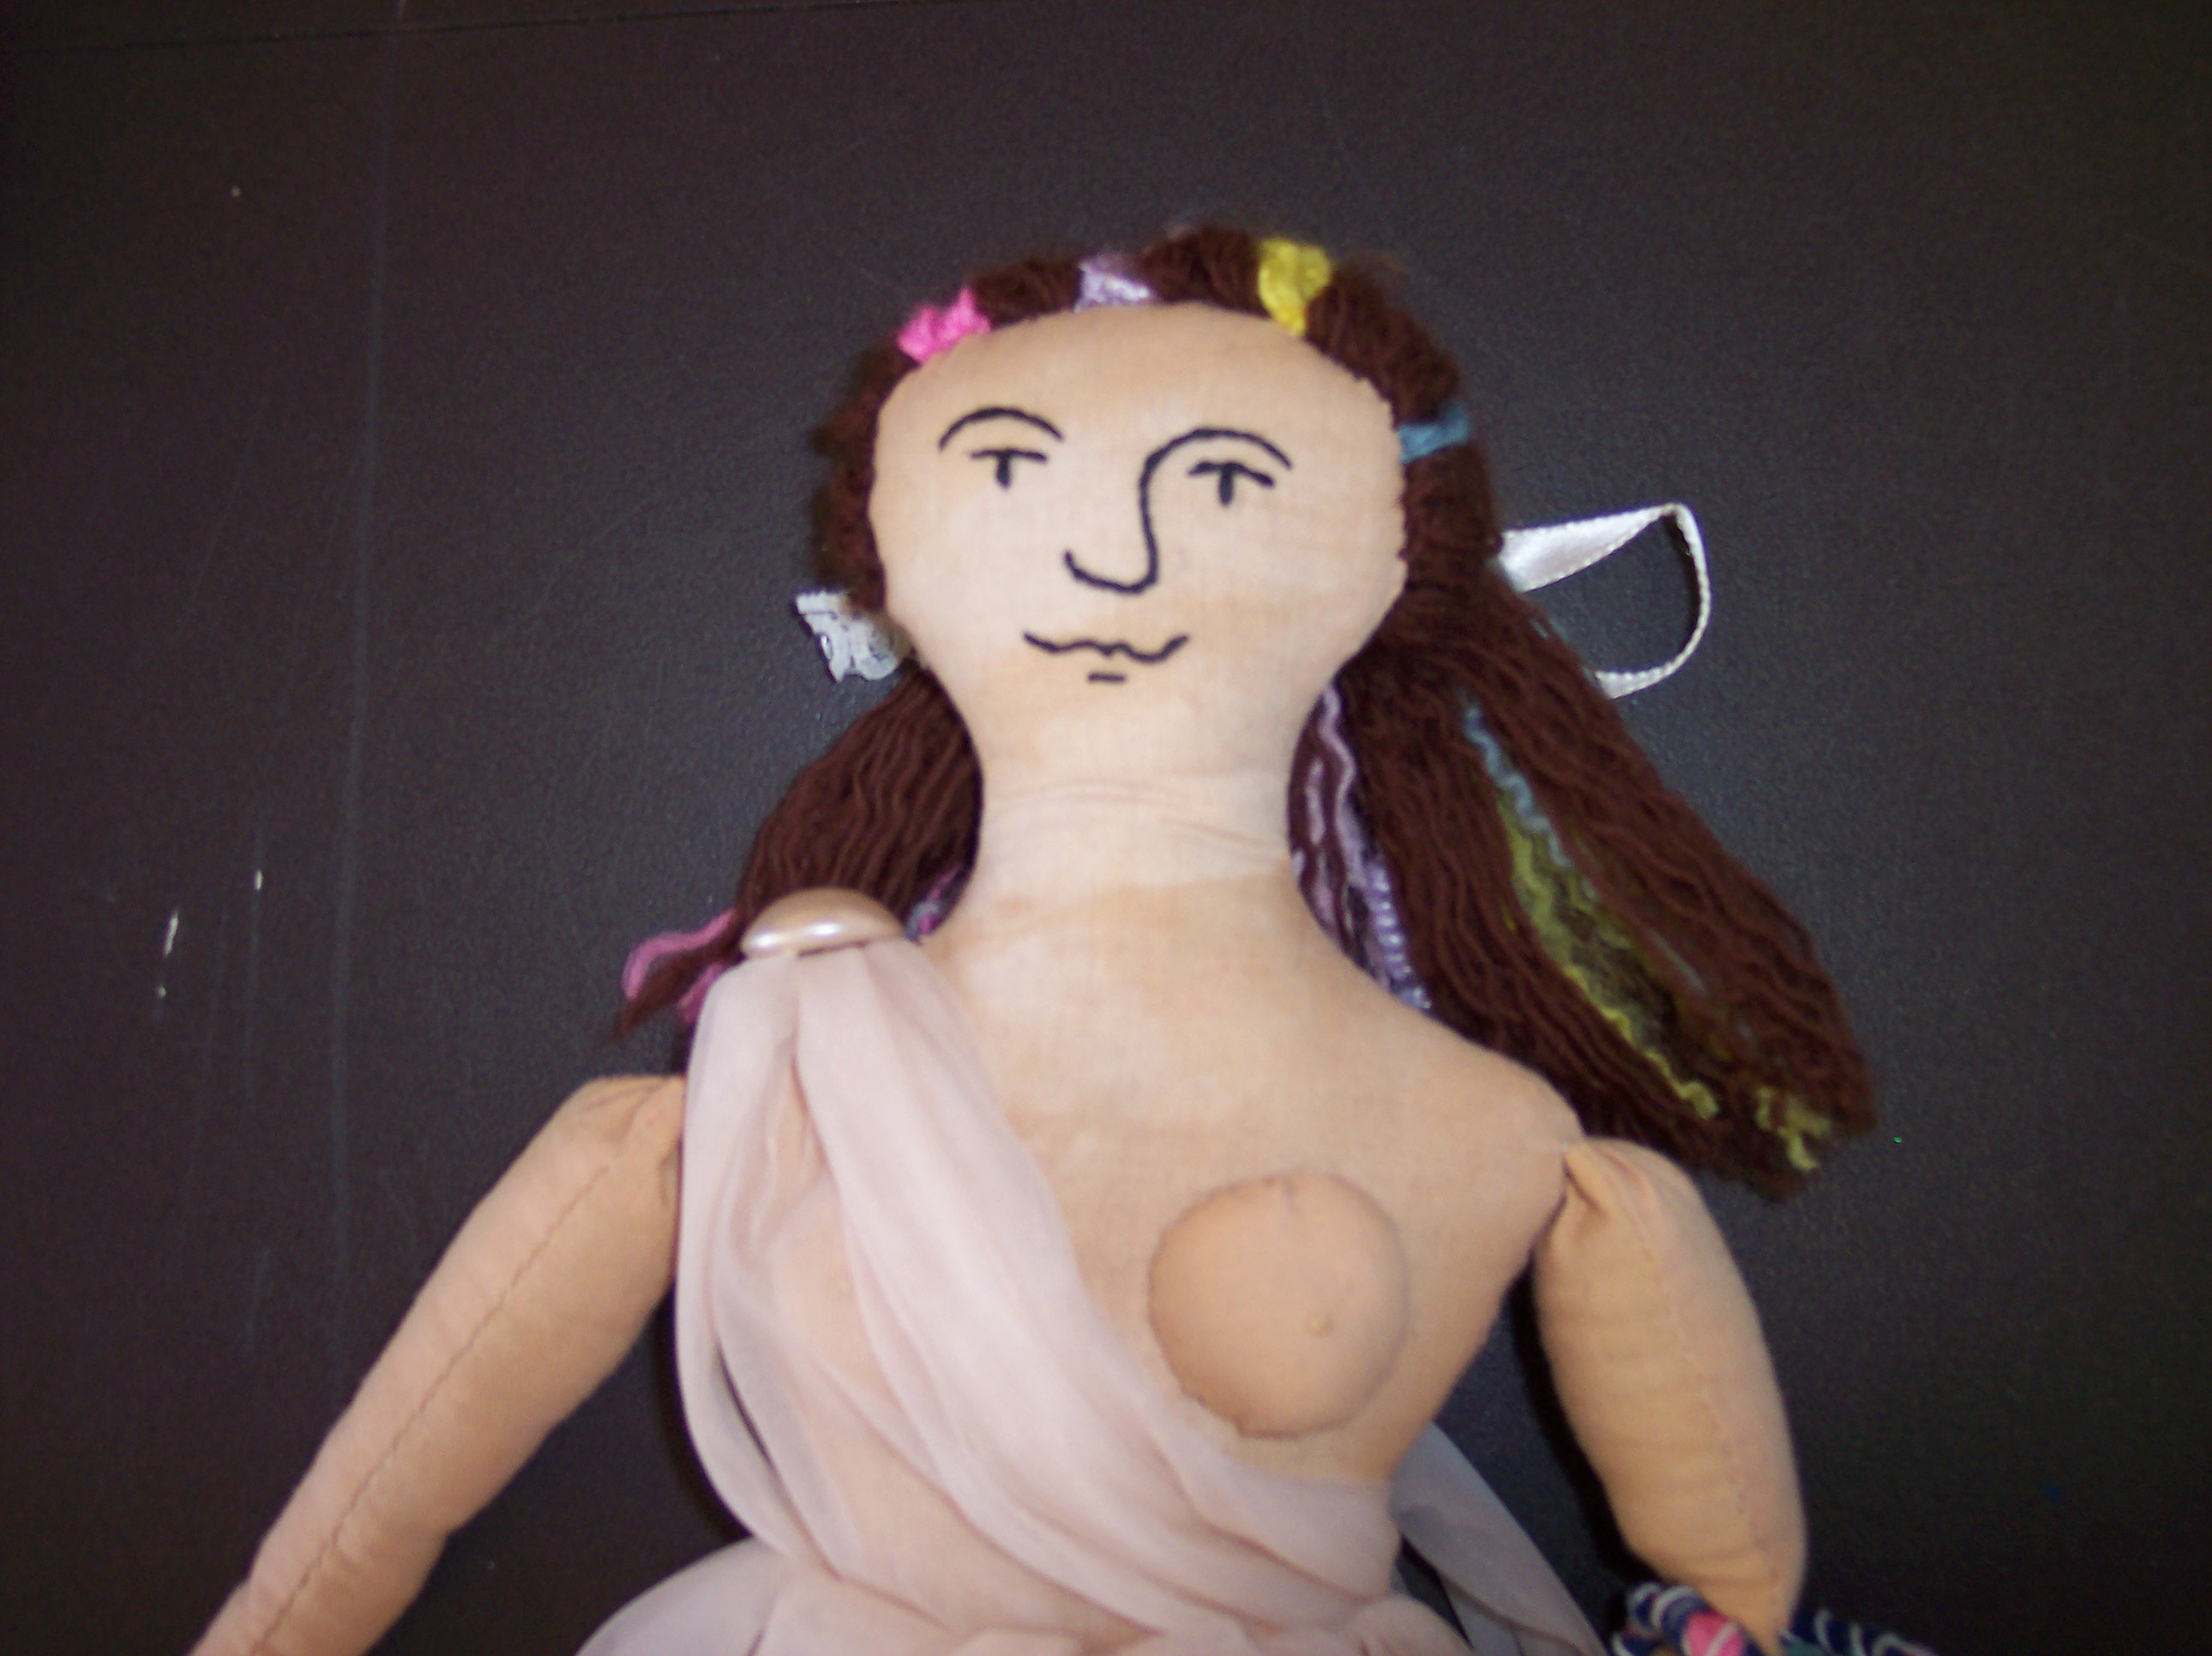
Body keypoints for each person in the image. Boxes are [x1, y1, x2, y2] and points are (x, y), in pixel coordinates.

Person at [195, 228, 1871, 1656]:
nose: (1110, 551)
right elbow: (389, 1494)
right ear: (896, 559)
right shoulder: (790, 1071)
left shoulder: (1509, 1146)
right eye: (1010, 469)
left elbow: (1736, 1589)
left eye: (1223, 482)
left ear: (1397, 560)